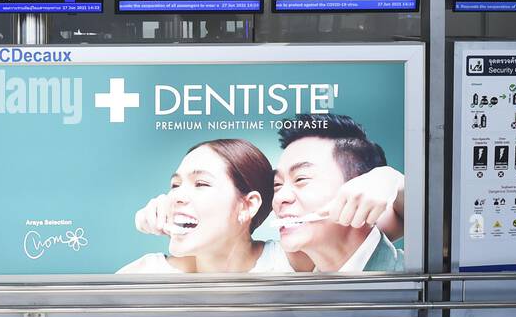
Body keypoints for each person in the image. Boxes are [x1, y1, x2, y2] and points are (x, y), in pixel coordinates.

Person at [120, 139, 291, 274]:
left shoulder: (289, 262)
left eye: (201, 183)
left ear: (247, 205)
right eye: (175, 185)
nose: (176, 197)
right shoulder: (147, 273)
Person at [272, 114, 404, 272]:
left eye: (301, 178)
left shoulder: (419, 280)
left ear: (359, 185)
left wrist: (393, 180)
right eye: (277, 184)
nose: (279, 197)